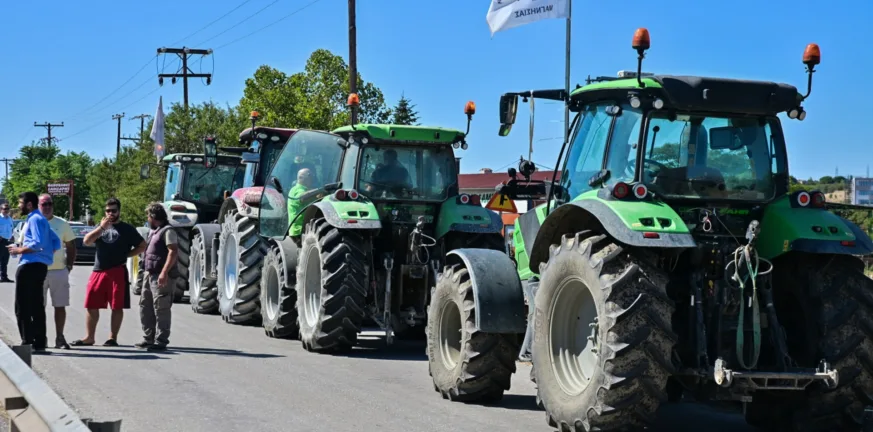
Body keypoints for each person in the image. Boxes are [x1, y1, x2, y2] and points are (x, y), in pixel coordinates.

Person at [72, 198, 146, 347]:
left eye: (113, 210)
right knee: (91, 304)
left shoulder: (127, 229)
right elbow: (86, 241)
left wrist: (127, 255)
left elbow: (143, 245)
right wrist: (101, 228)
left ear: (119, 211)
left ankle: (112, 338)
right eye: (108, 211)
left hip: (117, 270)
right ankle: (89, 337)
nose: (110, 213)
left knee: (117, 306)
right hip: (98, 271)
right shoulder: (101, 227)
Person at [6, 192, 60, 354]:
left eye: (21, 203)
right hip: (40, 266)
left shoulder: (35, 219)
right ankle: (39, 342)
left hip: (29, 265)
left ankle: (27, 342)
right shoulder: (41, 219)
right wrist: (46, 255)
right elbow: (56, 241)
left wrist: (18, 250)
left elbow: (36, 244)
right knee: (36, 305)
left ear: (29, 204)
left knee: (22, 305)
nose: (19, 206)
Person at [136, 203, 178, 351]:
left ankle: (161, 341)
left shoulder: (168, 231)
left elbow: (173, 251)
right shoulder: (154, 231)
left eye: (148, 216)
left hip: (161, 276)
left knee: (161, 308)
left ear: (153, 217)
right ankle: (148, 338)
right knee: (145, 306)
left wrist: (164, 273)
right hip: (149, 274)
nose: (147, 219)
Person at [37, 194, 77, 349]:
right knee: (38, 308)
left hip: (58, 271)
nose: (47, 207)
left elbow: (71, 245)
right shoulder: (32, 222)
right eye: (43, 204)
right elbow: (22, 243)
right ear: (38, 205)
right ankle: (40, 339)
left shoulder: (62, 223)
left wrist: (69, 266)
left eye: (49, 204)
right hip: (38, 272)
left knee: (60, 306)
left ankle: (60, 338)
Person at [287, 168, 314, 237]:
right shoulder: (296, 190)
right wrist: (320, 191)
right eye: (309, 175)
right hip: (298, 231)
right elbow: (302, 197)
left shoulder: (306, 190)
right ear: (300, 177)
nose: (312, 178)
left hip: (306, 230)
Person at [0, 203, 13, 283]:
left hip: (8, 241)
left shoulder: (9, 218)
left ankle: (4, 277)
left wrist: (12, 236)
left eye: (7, 209)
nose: (6, 210)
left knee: (5, 260)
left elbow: (11, 228)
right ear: (1, 209)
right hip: (1, 240)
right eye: (4, 209)